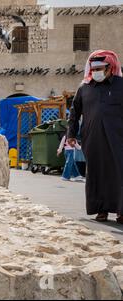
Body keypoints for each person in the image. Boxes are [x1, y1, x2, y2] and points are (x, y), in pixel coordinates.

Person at [67, 50, 123, 224]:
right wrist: (71, 134)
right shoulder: (84, 88)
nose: (97, 72)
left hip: (118, 139)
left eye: (100, 68)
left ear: (110, 67)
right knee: (96, 173)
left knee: (119, 173)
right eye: (94, 68)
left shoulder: (121, 85)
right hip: (93, 138)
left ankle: (121, 212)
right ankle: (101, 210)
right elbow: (74, 113)